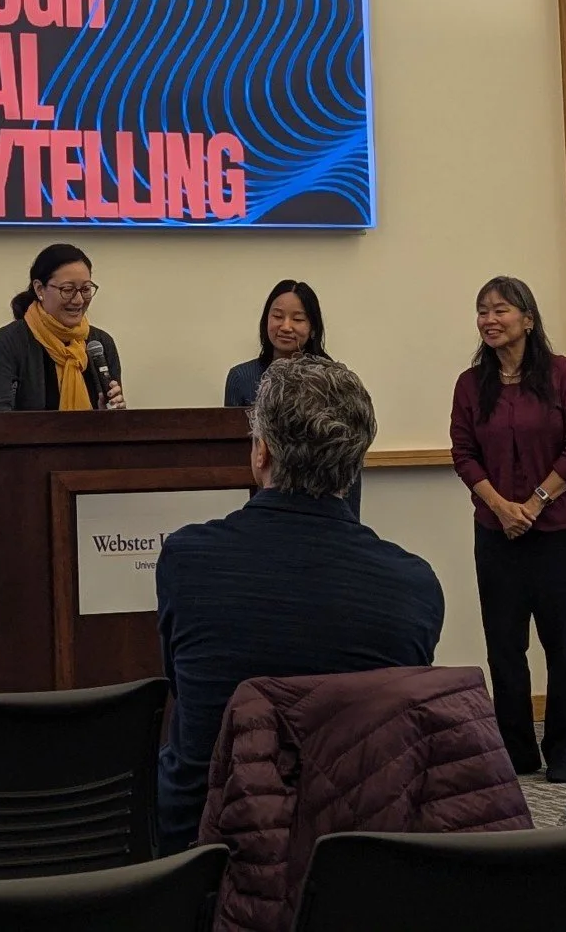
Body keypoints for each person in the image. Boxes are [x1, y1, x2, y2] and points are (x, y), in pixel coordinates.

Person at [155, 358, 444, 852]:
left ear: (262, 452)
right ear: (355, 465)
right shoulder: (414, 587)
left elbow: (183, 693)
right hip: (350, 865)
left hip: (207, 857)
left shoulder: (188, 561)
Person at [449, 275, 566, 785]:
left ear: (528, 319)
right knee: (504, 645)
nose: (489, 320)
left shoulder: (564, 375)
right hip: (497, 534)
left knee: (565, 643)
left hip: (563, 531)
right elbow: (463, 453)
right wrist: (499, 505)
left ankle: (563, 745)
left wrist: (533, 504)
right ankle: (517, 750)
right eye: (482, 310)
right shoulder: (471, 385)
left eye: (501, 310)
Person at [222, 279, 362, 518]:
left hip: (322, 508)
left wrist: (349, 521)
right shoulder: (241, 377)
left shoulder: (334, 381)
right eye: (277, 316)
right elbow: (232, 454)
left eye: (298, 319)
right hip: (261, 507)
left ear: (314, 327)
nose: (286, 326)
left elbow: (348, 453)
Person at [0, 242, 127, 411]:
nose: (79, 299)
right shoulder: (10, 341)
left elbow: (116, 424)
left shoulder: (100, 343)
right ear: (39, 289)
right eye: (67, 289)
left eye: (86, 289)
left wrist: (109, 415)